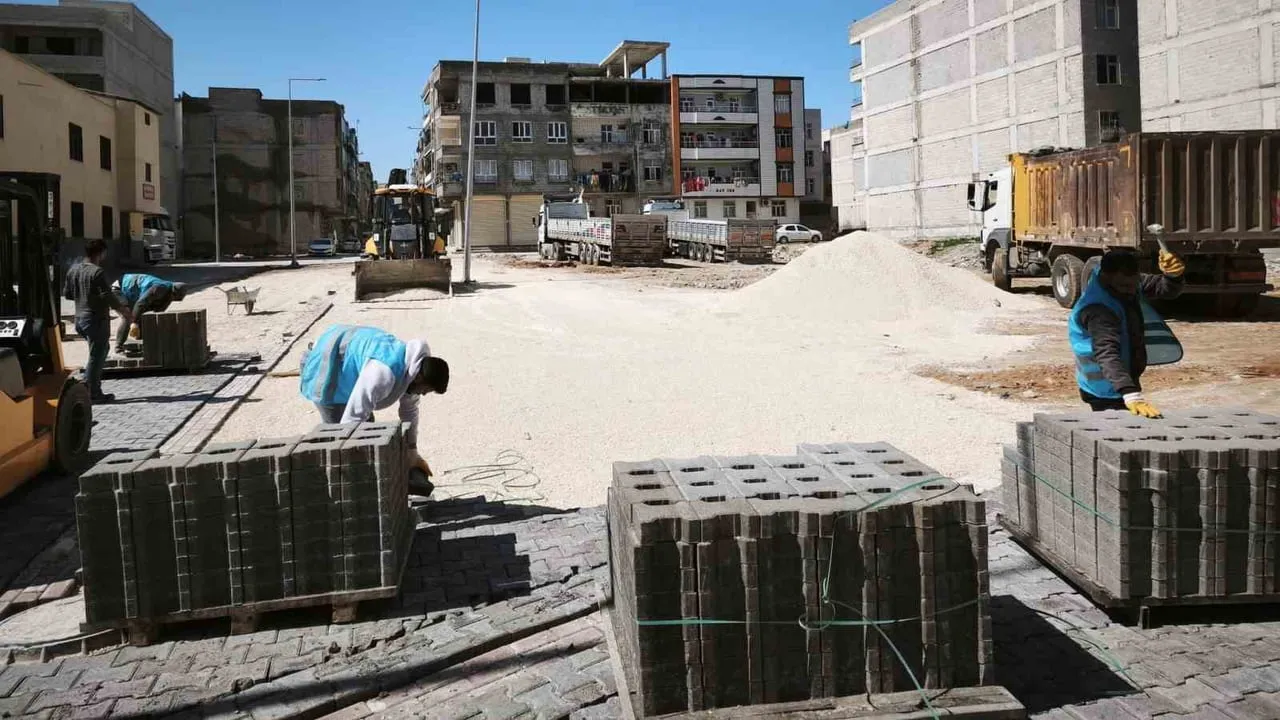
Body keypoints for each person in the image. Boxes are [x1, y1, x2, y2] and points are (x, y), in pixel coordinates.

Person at [299, 324, 448, 485]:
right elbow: (351, 421)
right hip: (326, 368)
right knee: (340, 442)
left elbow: (410, 412)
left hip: (350, 371)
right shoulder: (383, 373)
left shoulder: (412, 369)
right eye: (426, 389)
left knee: (367, 436)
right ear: (419, 378)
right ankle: (331, 489)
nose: (424, 394)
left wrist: (412, 452)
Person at [1068, 248, 1186, 418]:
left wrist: (1174, 276)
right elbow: (1106, 353)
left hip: (1122, 377)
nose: (1131, 290)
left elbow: (1165, 290)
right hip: (1103, 388)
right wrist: (1130, 393)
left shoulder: (1128, 284)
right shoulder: (1098, 309)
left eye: (1134, 284)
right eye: (1124, 286)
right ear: (1106, 276)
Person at [62, 239, 134, 403]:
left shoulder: (73, 270)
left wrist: (84, 295)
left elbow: (67, 294)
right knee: (97, 356)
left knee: (98, 352)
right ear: (101, 252)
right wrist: (124, 311)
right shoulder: (97, 272)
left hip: (79, 319)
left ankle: (90, 388)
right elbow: (108, 296)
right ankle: (91, 392)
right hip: (95, 319)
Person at [112, 273, 188, 353]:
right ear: (173, 292)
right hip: (118, 289)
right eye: (174, 298)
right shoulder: (160, 288)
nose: (173, 300)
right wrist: (134, 323)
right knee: (127, 317)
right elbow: (140, 304)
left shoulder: (168, 296)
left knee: (141, 316)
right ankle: (118, 348)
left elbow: (156, 314)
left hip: (133, 294)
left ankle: (139, 345)